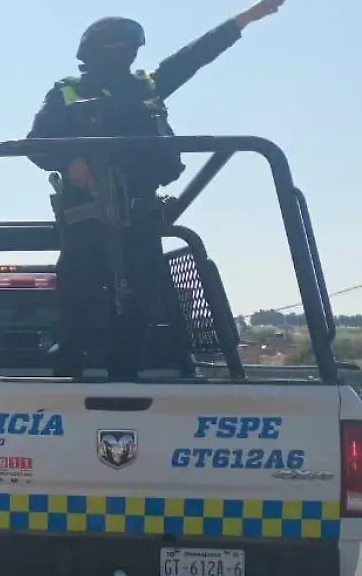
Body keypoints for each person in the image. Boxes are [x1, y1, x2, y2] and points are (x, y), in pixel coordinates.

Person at [26, 1, 287, 379]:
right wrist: (70, 161)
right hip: (86, 216)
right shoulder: (66, 92)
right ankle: (68, 372)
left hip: (142, 213)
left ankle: (126, 376)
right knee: (78, 296)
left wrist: (249, 17)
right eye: (117, 47)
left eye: (130, 48)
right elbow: (35, 144)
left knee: (142, 300)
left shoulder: (147, 85)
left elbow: (195, 56)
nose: (125, 55)